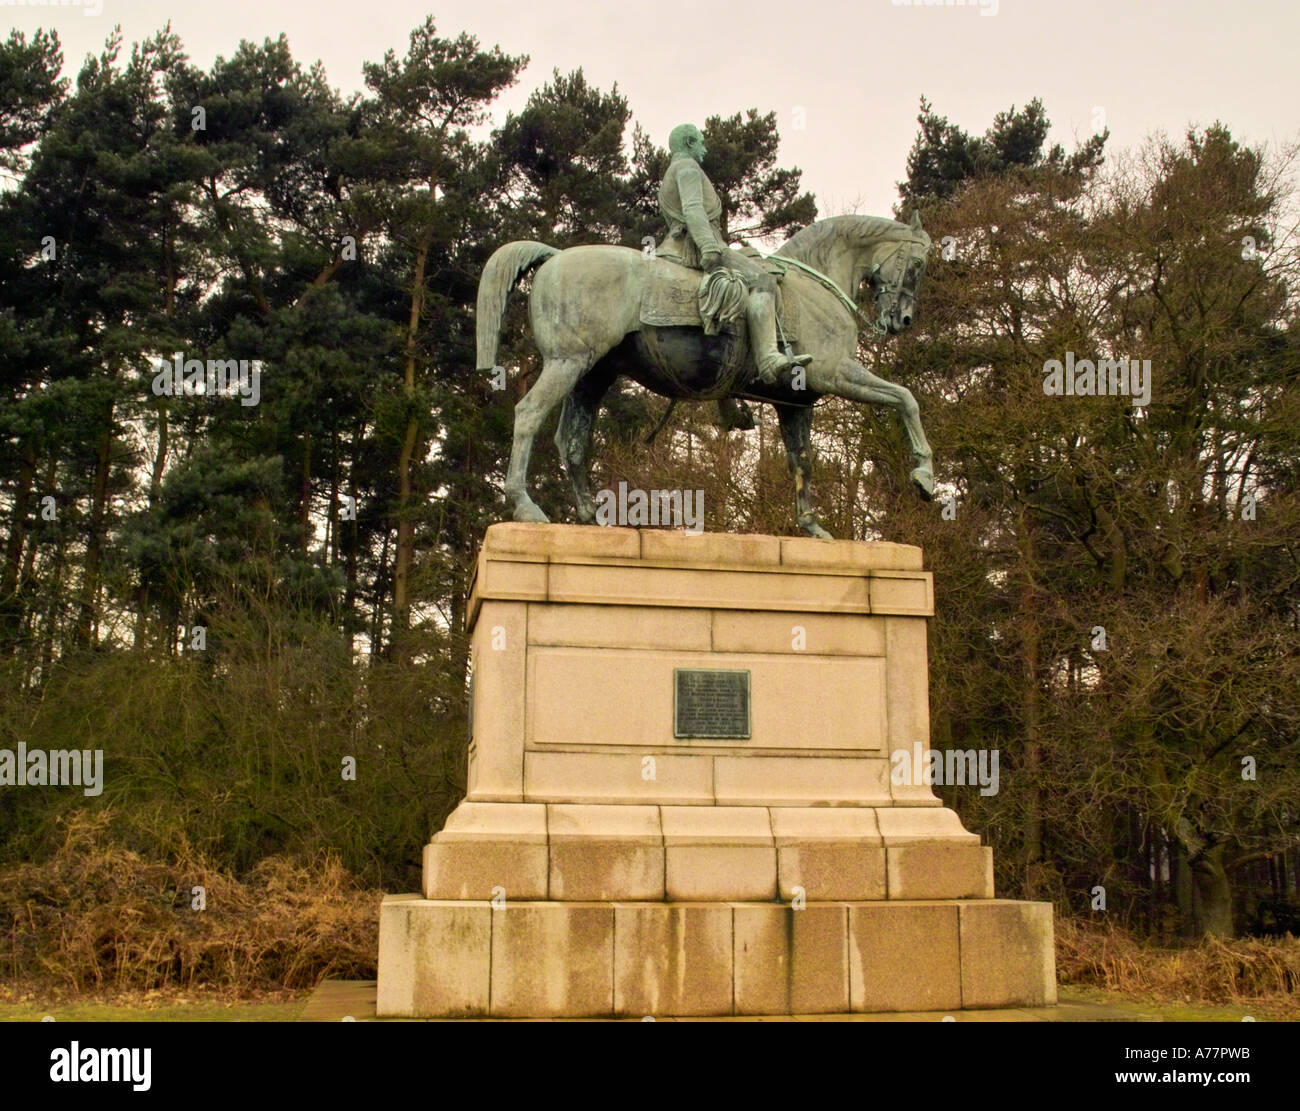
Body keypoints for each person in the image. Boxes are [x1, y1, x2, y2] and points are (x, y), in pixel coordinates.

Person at [656, 123, 811, 430]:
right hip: (696, 246)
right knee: (763, 281)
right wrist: (710, 247)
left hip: (681, 245)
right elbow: (694, 212)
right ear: (688, 143)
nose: (706, 148)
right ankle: (768, 357)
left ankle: (727, 401)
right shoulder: (688, 168)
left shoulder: (673, 172)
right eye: (701, 142)